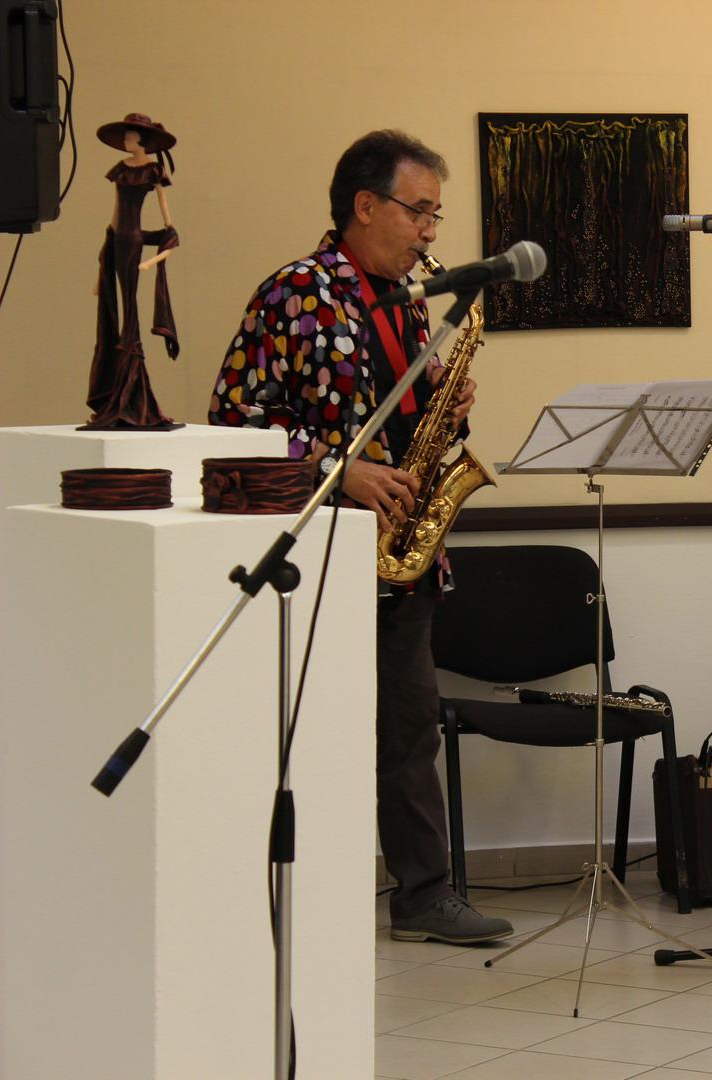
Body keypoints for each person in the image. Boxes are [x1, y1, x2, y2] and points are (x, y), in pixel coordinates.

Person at [209, 130, 511, 945]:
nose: (430, 232)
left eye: (437, 215)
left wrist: (448, 404)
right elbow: (233, 421)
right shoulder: (294, 293)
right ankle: (304, 900)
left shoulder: (410, 302)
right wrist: (338, 471)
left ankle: (424, 895)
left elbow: (402, 421)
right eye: (420, 211)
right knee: (312, 734)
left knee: (410, 730)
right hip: (317, 551)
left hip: (401, 551)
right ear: (365, 205)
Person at [86, 113, 181, 430]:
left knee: (131, 311)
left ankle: (133, 391)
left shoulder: (152, 171)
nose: (126, 141)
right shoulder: (121, 170)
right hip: (119, 241)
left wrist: (152, 260)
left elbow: (168, 224)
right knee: (118, 309)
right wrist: (104, 259)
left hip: (136, 243)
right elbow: (116, 214)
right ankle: (121, 390)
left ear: (141, 140)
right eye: (125, 137)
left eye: (130, 137)